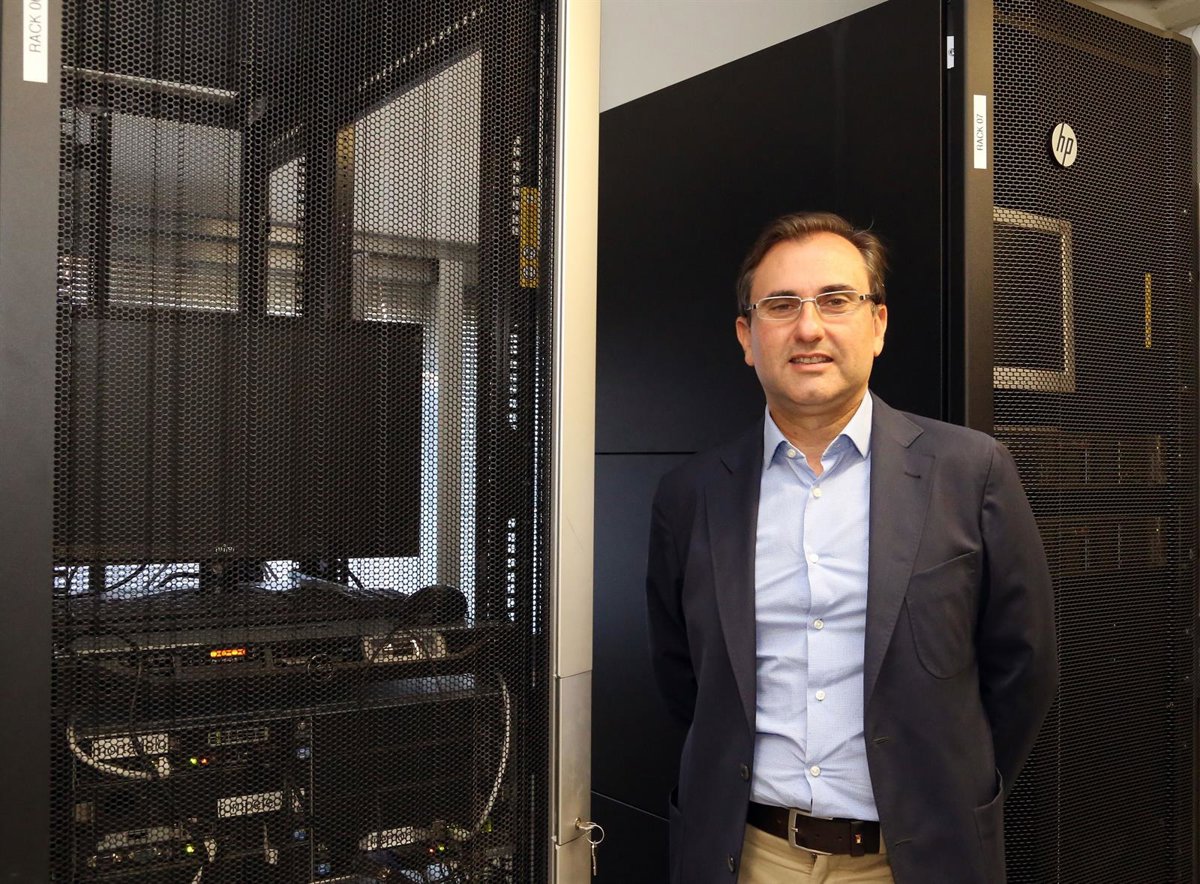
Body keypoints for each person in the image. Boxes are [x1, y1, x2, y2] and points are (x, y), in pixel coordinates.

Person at [645, 211, 1057, 884]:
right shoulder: (691, 496)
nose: (809, 328)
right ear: (747, 337)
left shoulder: (970, 472)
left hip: (916, 859)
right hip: (748, 857)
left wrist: (951, 791)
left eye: (836, 300)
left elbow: (1024, 670)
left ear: (879, 324)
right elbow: (684, 682)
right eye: (782, 305)